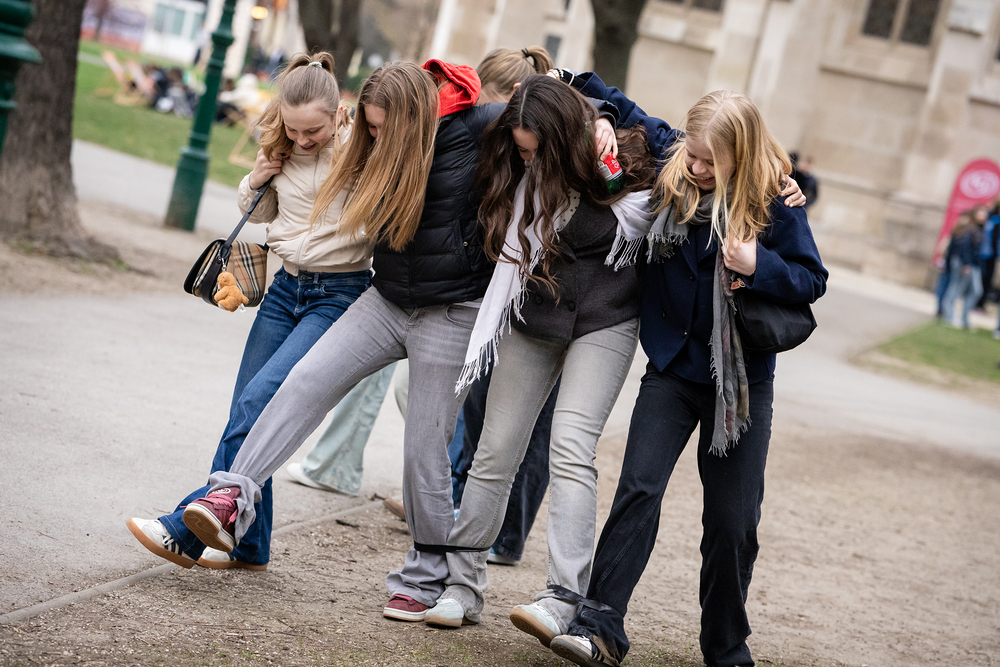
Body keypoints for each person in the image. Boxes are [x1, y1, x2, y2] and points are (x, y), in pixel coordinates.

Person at [175, 59, 507, 623]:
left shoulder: (475, 128)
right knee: (303, 382)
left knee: (424, 446)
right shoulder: (369, 147)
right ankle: (232, 493)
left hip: (450, 310)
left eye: (381, 128)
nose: (373, 137)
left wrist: (594, 108)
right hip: (386, 298)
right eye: (369, 126)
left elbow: (549, 114)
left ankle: (427, 576)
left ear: (414, 118)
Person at [544, 74, 826, 667]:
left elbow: (811, 280)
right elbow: (603, 95)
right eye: (692, 155)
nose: (695, 168)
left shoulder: (774, 201)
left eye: (709, 162)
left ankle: (725, 648)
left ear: (740, 155)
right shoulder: (673, 158)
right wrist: (591, 106)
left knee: (732, 523)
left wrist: (758, 263)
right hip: (671, 370)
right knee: (637, 490)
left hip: (741, 385)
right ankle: (599, 628)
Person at [287, 46, 563, 567]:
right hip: (414, 295)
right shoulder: (438, 129)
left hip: (485, 305)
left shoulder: (492, 130)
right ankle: (439, 508)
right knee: (435, 418)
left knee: (493, 435)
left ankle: (487, 539)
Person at [126, 53, 374, 572]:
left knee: (261, 404)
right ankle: (251, 545)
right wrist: (256, 178)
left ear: (339, 114)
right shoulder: (280, 144)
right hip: (285, 289)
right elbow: (262, 213)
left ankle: (184, 532)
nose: (303, 140)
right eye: (294, 129)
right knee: (247, 406)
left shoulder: (362, 150)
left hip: (338, 294)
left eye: (314, 131)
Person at [430, 74, 656, 640]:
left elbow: (690, 149)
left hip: (605, 319)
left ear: (563, 140)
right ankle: (462, 586)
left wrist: (601, 114)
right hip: (532, 315)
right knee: (494, 449)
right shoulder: (513, 164)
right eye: (521, 150)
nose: (526, 160)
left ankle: (562, 597)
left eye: (535, 151)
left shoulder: (621, 160)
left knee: (571, 448)